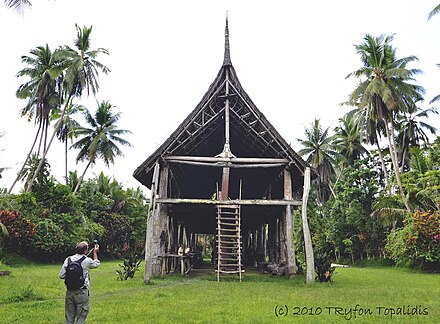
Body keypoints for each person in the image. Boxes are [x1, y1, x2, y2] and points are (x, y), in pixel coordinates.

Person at [59, 241, 100, 324]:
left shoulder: (68, 259)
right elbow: (96, 264)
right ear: (85, 251)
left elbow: (61, 275)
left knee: (69, 317)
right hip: (82, 292)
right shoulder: (87, 260)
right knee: (81, 316)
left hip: (70, 292)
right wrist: (95, 252)